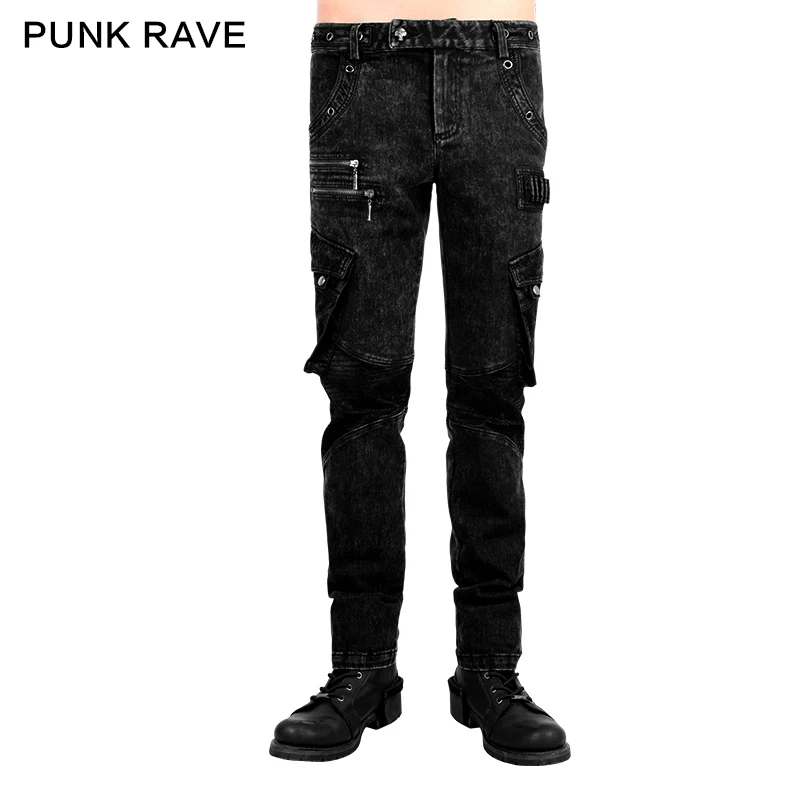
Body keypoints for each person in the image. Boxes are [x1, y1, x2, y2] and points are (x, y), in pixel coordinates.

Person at [269, 0, 570, 766]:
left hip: (499, 64)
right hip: (358, 69)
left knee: (491, 391)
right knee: (362, 395)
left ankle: (490, 670)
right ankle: (362, 666)